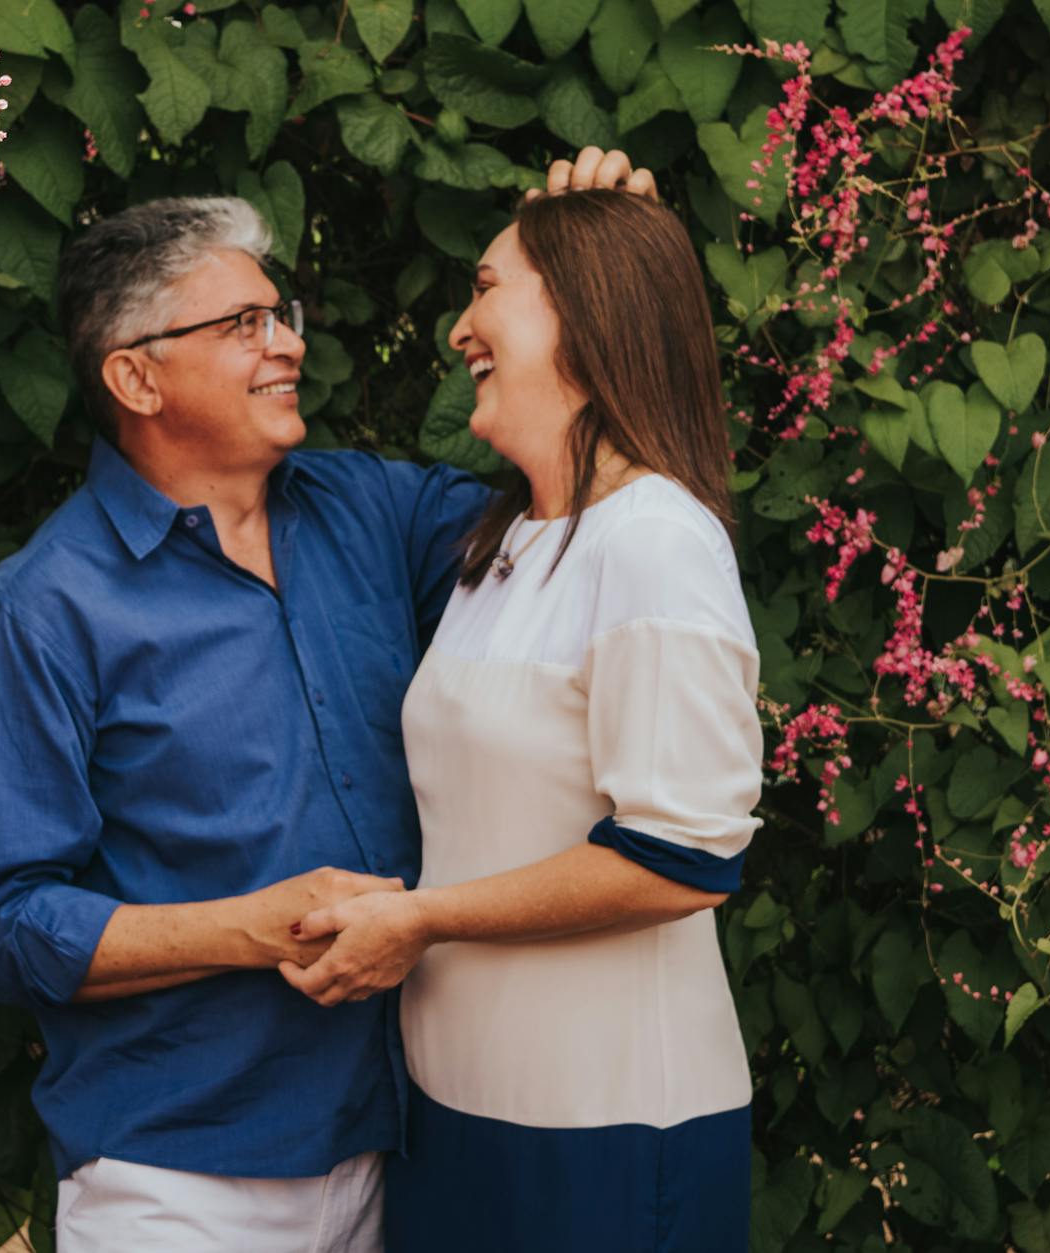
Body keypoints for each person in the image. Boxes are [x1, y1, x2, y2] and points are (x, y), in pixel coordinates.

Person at [0, 151, 656, 1252]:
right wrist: (246, 929)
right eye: (241, 324)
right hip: (173, 1177)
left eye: (282, 314)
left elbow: (571, 513)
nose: (287, 343)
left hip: (389, 1149)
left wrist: (590, 270)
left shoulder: (369, 508)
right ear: (136, 378)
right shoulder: (41, 609)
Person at [278, 190, 763, 1251]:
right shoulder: (506, 543)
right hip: (453, 1117)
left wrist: (421, 918)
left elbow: (680, 856)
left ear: (583, 315)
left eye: (486, 287)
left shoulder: (656, 542)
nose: (459, 327)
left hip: (604, 1130)